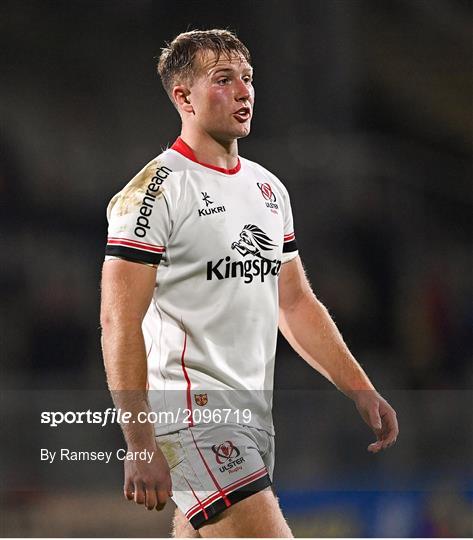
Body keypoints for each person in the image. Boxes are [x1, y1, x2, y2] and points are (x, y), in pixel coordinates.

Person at [100, 29, 399, 538]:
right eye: (224, 79)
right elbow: (117, 319)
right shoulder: (153, 192)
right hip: (193, 416)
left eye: (248, 78)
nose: (244, 91)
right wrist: (140, 442)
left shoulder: (267, 188)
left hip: (253, 417)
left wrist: (358, 386)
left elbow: (296, 302)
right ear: (183, 97)